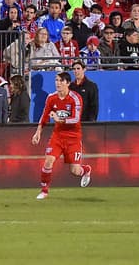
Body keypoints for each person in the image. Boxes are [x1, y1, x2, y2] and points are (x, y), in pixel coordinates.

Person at [31, 71, 93, 199]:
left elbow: (76, 119)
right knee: (48, 161)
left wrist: (60, 120)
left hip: (73, 137)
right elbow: (44, 115)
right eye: (56, 80)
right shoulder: (51, 98)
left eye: (61, 81)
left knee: (75, 171)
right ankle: (44, 191)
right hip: (58, 136)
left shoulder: (75, 98)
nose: (57, 83)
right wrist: (38, 132)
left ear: (68, 83)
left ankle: (86, 170)